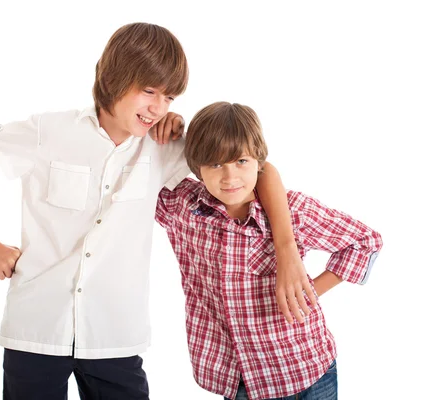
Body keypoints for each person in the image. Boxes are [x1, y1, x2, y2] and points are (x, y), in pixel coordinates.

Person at [0, 23, 312, 399]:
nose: (158, 107)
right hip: (35, 328)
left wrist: (287, 251)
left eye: (169, 97)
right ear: (113, 77)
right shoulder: (48, 131)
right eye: (148, 91)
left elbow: (259, 170)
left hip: (114, 335)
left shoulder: (164, 146)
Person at [155, 102, 383, 400]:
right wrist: (164, 124)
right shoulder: (182, 208)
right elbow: (136, 168)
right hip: (235, 379)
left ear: (258, 161)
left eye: (241, 162)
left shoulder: (292, 211)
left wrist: (307, 292)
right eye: (214, 164)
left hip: (302, 373)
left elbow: (364, 242)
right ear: (196, 167)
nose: (229, 177)